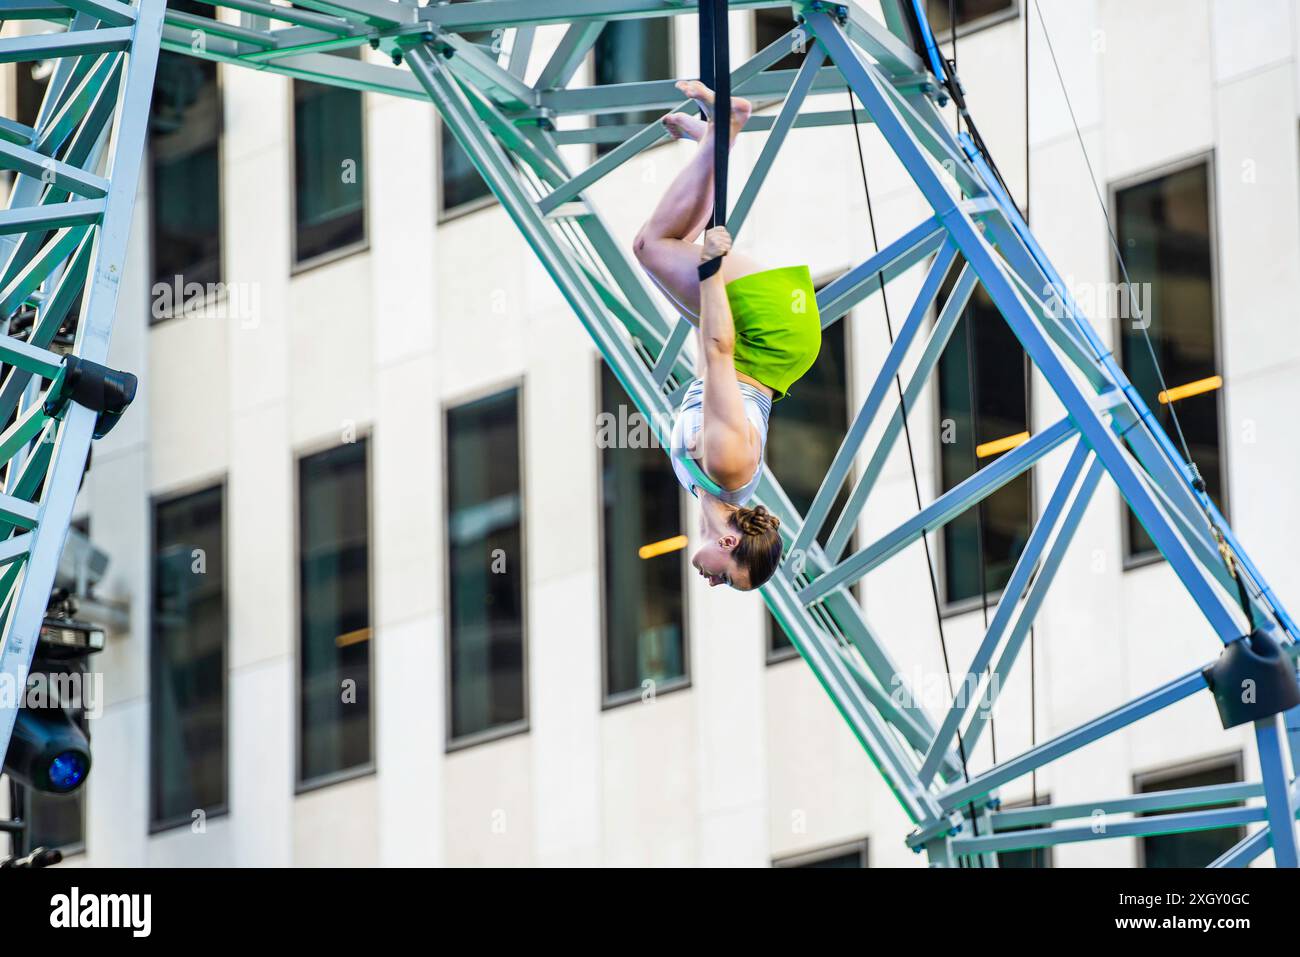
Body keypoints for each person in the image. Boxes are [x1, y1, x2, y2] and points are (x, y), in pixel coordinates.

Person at [632, 81, 822, 591]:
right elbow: (717, 354)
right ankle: (726, 128)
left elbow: (710, 368)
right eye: (726, 579)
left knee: (661, 253)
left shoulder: (705, 486)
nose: (712, 583)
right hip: (771, 335)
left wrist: (702, 283)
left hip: (771, 353)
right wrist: (710, 270)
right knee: (653, 246)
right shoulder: (727, 467)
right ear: (729, 544)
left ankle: (717, 140)